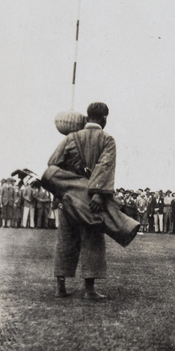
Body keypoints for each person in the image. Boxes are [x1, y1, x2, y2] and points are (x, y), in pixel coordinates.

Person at [47, 102, 116, 300]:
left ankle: (60, 287)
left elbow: (52, 164)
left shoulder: (71, 137)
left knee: (66, 240)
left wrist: (70, 180)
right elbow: (105, 166)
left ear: (87, 117)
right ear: (104, 119)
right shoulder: (107, 139)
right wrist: (97, 193)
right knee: (92, 240)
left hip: (68, 198)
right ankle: (89, 290)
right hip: (92, 200)